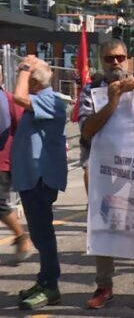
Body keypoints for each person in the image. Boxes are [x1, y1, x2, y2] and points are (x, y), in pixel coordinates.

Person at [79, 39, 134, 311]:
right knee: (103, 228)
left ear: (128, 59)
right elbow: (87, 130)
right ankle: (104, 286)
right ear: (101, 60)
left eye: (120, 57)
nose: (116, 63)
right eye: (109, 58)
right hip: (104, 172)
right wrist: (112, 102)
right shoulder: (91, 91)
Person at [12, 56, 67, 310]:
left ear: (33, 81)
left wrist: (24, 69)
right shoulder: (41, 100)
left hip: (40, 179)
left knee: (43, 234)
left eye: (26, 76)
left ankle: (50, 285)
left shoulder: (51, 99)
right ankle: (44, 280)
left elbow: (19, 97)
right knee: (39, 232)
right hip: (31, 178)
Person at [0, 69, 32, 266]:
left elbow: (22, 127)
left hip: (2, 161)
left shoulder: (10, 99)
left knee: (0, 204)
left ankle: (21, 236)